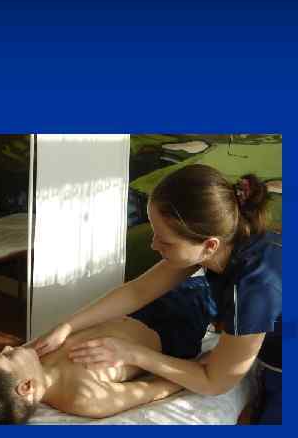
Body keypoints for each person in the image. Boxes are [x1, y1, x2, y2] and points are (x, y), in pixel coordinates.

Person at [31, 164, 281, 424]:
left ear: (209, 245)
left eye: (165, 241)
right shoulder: (227, 241)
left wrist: (133, 354)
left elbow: (214, 382)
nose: (153, 245)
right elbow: (138, 291)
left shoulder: (253, 291)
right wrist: (67, 326)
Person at [0, 277, 217, 423]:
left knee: (184, 277)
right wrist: (199, 370)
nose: (9, 346)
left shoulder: (36, 358)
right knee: (212, 288)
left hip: (136, 311)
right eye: (6, 355)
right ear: (26, 387)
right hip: (172, 331)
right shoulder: (81, 396)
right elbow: (151, 391)